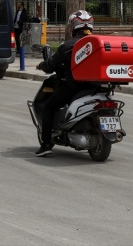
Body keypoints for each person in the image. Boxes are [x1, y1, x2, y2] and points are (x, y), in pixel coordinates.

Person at [34, 10, 95, 157]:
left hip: (74, 87)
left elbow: (52, 64)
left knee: (49, 107)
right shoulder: (99, 43)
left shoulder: (68, 45)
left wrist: (41, 65)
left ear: (73, 26)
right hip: (96, 87)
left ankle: (47, 144)